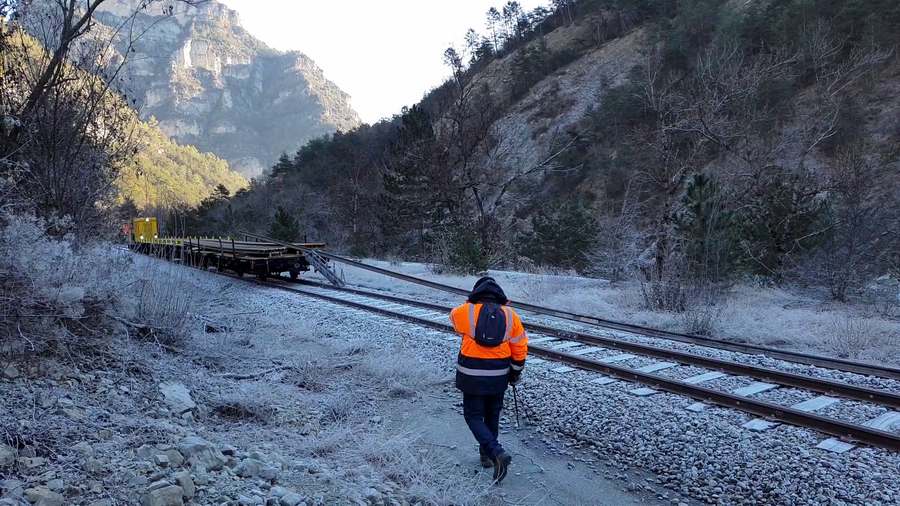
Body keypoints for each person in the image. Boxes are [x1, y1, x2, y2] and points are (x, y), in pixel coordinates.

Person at [450, 276, 528, 484]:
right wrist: (515, 372)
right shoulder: (511, 315)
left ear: (476, 294)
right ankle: (487, 457)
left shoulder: (465, 311)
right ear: (500, 295)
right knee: (492, 416)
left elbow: (454, 320)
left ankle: (496, 452)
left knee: (473, 416)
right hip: (499, 376)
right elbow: (520, 347)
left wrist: (471, 304)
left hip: (471, 375)